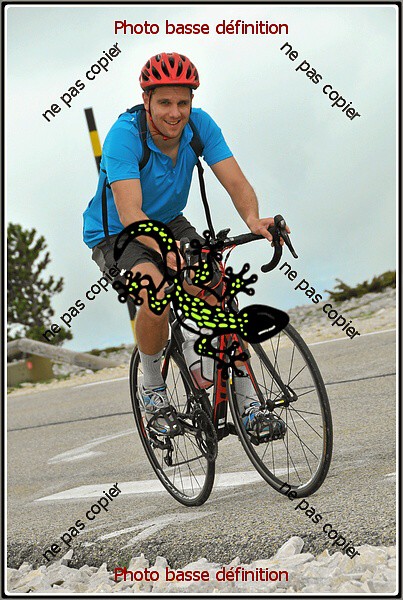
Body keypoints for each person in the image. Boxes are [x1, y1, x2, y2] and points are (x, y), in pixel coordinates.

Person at [83, 52, 282, 439]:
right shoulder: (124, 136)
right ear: (146, 100)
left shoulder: (200, 126)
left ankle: (249, 406)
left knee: (217, 292)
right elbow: (130, 212)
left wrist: (253, 219)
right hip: (116, 231)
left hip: (170, 220)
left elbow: (236, 182)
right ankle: (153, 388)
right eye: (164, 102)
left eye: (182, 102)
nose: (174, 113)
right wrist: (165, 249)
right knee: (154, 291)